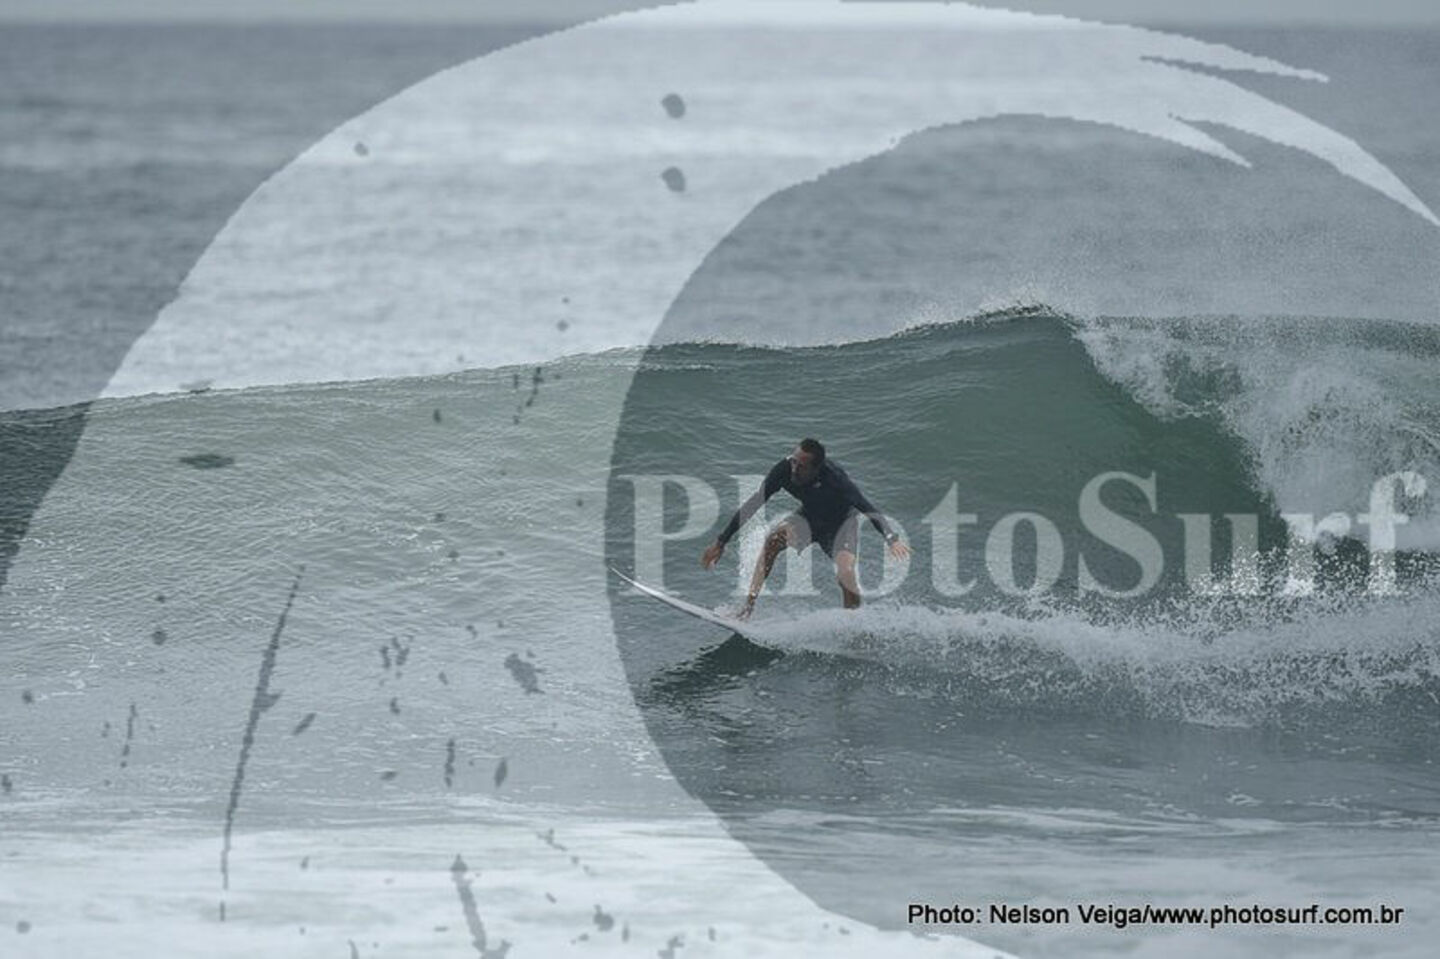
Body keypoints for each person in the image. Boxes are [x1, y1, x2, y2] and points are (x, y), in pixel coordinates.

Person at [700, 438, 910, 619]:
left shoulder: (835, 478)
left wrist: (892, 539)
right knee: (773, 540)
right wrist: (721, 541)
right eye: (793, 461)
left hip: (841, 525)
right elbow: (755, 503)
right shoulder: (784, 470)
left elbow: (867, 507)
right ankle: (746, 610)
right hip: (808, 519)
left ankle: (853, 626)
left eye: (801, 466)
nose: (794, 469)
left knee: (846, 573)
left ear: (816, 469)